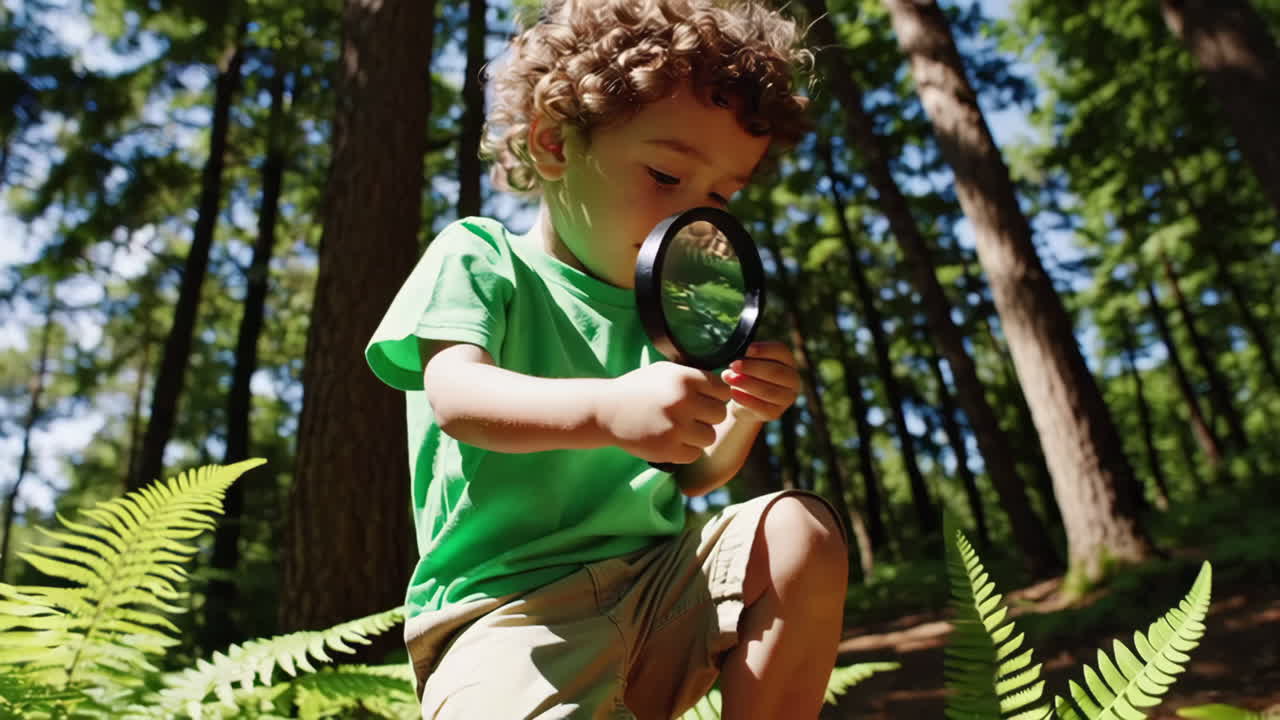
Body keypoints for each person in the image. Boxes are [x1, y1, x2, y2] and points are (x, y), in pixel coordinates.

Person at [365, 1, 849, 717]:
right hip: (507, 614)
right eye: (664, 175)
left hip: (657, 589)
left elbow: (688, 475)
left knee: (797, 533)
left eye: (721, 194)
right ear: (553, 145)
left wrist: (740, 418)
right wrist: (609, 410)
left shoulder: (680, 307)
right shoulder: (481, 258)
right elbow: (458, 399)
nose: (693, 214)